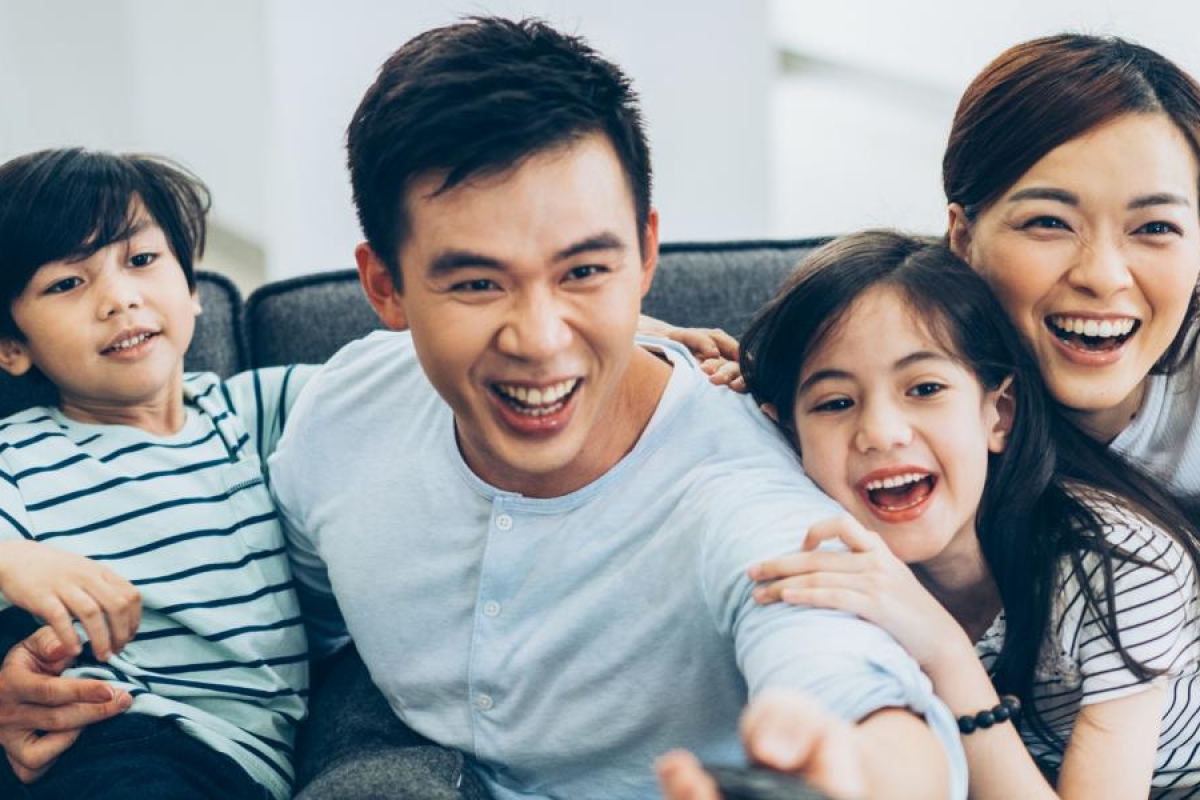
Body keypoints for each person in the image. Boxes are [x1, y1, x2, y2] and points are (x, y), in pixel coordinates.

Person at [0, 16, 968, 800]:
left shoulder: (743, 493)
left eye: (586, 270)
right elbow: (244, 584)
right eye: (475, 284)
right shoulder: (336, 413)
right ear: (382, 286)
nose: (540, 337)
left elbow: (852, 685)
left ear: (646, 252)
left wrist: (863, 773)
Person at [696, 230, 1198, 799]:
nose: (882, 433)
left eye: (925, 388)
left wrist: (944, 649)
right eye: (835, 402)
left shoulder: (1124, 564)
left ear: (997, 414)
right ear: (789, 438)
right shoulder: (840, 572)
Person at [0, 149, 311, 798]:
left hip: (228, 760)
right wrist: (10, 562)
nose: (119, 298)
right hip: (102, 733)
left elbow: (398, 380)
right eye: (66, 283)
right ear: (12, 347)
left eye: (141, 260)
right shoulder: (18, 456)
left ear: (193, 291)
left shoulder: (256, 413)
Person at [942, 34, 1200, 508]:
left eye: (1155, 226)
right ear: (962, 239)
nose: (1102, 276)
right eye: (1049, 223)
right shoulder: (886, 375)